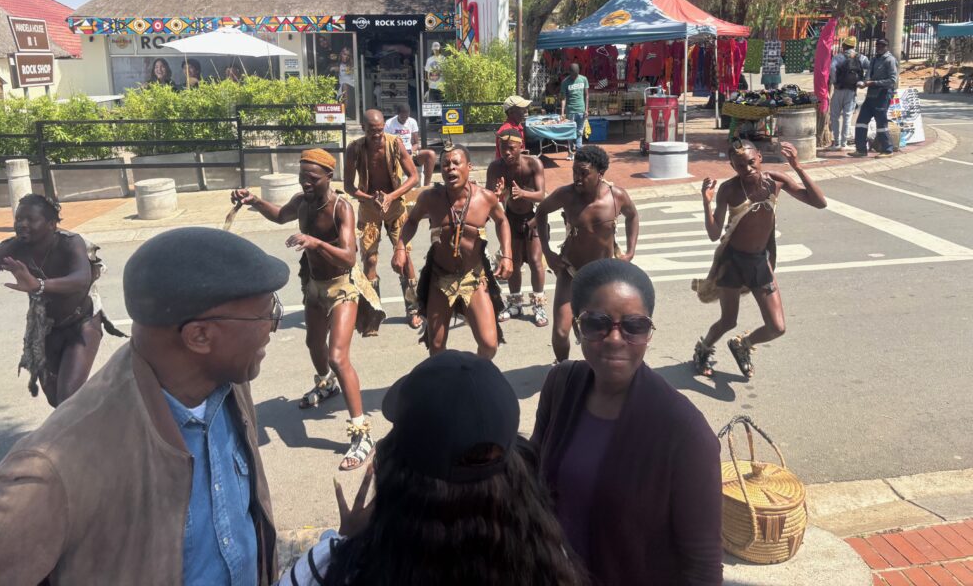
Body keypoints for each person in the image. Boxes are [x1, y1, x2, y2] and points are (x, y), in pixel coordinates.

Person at [0, 227, 287, 585]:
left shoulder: (227, 380)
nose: (272, 328)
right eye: (267, 315)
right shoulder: (57, 467)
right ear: (199, 336)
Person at [283, 351, 587, 586]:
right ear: (518, 472)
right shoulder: (548, 562)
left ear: (395, 469)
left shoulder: (330, 568)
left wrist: (345, 541)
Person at [533, 259, 723, 586]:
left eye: (634, 326)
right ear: (577, 327)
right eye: (597, 323)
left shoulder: (686, 434)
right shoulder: (560, 385)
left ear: (649, 333)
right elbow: (532, 478)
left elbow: (703, 565)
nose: (616, 339)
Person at [232, 149, 382, 470]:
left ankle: (361, 434)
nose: (305, 183)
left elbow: (348, 257)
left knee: (338, 356)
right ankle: (326, 384)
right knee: (314, 343)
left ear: (329, 176)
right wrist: (254, 201)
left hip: (342, 287)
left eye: (312, 179)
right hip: (314, 285)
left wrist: (316, 244)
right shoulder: (302, 202)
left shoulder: (342, 208)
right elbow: (279, 215)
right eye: (302, 178)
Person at [0, 193, 123, 406]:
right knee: (55, 399)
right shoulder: (12, 248)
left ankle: (91, 429)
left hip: (82, 323)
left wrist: (39, 285)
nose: (22, 224)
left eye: (30, 220)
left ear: (51, 224)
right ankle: (95, 413)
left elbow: (81, 279)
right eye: (18, 219)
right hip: (43, 329)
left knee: (67, 397)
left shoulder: (70, 243)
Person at [691, 140, 826, 378]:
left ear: (760, 157)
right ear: (733, 167)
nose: (748, 169)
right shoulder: (729, 190)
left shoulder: (775, 181)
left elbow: (819, 202)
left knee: (777, 327)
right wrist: (706, 202)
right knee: (728, 320)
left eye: (751, 162)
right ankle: (703, 350)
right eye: (740, 165)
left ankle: (742, 344)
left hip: (759, 263)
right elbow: (714, 235)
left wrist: (798, 167)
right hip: (732, 264)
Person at [392, 145, 512, 359]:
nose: (450, 168)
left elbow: (502, 221)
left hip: (473, 277)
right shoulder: (430, 198)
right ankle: (445, 384)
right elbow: (411, 221)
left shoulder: (485, 198)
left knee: (489, 344)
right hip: (440, 278)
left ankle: (473, 375)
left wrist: (507, 254)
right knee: (436, 347)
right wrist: (400, 247)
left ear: (469, 167)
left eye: (456, 163)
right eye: (446, 164)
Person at [535, 145, 640, 363]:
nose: (577, 178)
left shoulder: (616, 196)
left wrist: (629, 252)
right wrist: (547, 251)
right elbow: (541, 212)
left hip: (603, 277)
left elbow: (633, 216)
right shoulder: (566, 195)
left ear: (600, 174)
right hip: (571, 271)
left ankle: (597, 370)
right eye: (575, 172)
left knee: (602, 331)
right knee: (561, 332)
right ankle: (562, 368)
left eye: (584, 173)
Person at [345, 109, 423, 331]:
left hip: (395, 207)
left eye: (380, 131)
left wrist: (391, 196)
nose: (377, 136)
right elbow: (349, 186)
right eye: (372, 132)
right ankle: (373, 309)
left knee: (404, 258)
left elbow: (414, 177)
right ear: (364, 129)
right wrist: (370, 199)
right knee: (369, 260)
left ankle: (413, 308)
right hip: (369, 210)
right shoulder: (355, 149)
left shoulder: (394, 143)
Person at [486, 128, 549, 328]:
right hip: (510, 218)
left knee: (536, 260)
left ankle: (538, 305)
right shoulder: (495, 167)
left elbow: (541, 195)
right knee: (512, 261)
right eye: (503, 149)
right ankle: (515, 303)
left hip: (533, 218)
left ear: (521, 147)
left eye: (511, 149)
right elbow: (488, 199)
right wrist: (497, 195)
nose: (507, 153)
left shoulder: (533, 164)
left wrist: (523, 193)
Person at [850, 38, 899, 157]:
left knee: (881, 124)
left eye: (882, 45)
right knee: (861, 122)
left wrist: (873, 83)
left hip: (882, 95)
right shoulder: (874, 59)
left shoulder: (890, 60)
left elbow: (892, 80)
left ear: (887, 47)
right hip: (870, 95)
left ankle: (887, 150)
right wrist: (864, 82)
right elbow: (868, 76)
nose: (879, 47)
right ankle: (861, 149)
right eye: (878, 45)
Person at [828, 36, 868, 149]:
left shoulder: (838, 57)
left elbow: (832, 69)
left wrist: (834, 81)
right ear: (854, 46)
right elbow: (870, 67)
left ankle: (836, 142)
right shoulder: (861, 57)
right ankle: (844, 143)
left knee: (835, 116)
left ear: (844, 46)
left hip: (838, 90)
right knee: (847, 117)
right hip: (852, 90)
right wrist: (862, 81)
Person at [384, 102, 436, 186]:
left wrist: (410, 151)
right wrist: (399, 153)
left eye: (406, 116)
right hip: (396, 153)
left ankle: (426, 186)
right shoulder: (389, 123)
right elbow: (386, 143)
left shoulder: (412, 122)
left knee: (431, 154)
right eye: (402, 116)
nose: (404, 118)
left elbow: (416, 143)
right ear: (398, 114)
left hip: (410, 152)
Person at [560, 63, 589, 160]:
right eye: (573, 74)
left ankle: (579, 153)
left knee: (579, 132)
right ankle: (570, 153)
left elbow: (587, 95)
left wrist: (586, 109)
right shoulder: (565, 82)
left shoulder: (584, 79)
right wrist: (562, 113)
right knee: (570, 133)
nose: (575, 76)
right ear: (570, 72)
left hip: (581, 111)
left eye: (576, 74)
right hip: (570, 111)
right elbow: (563, 98)